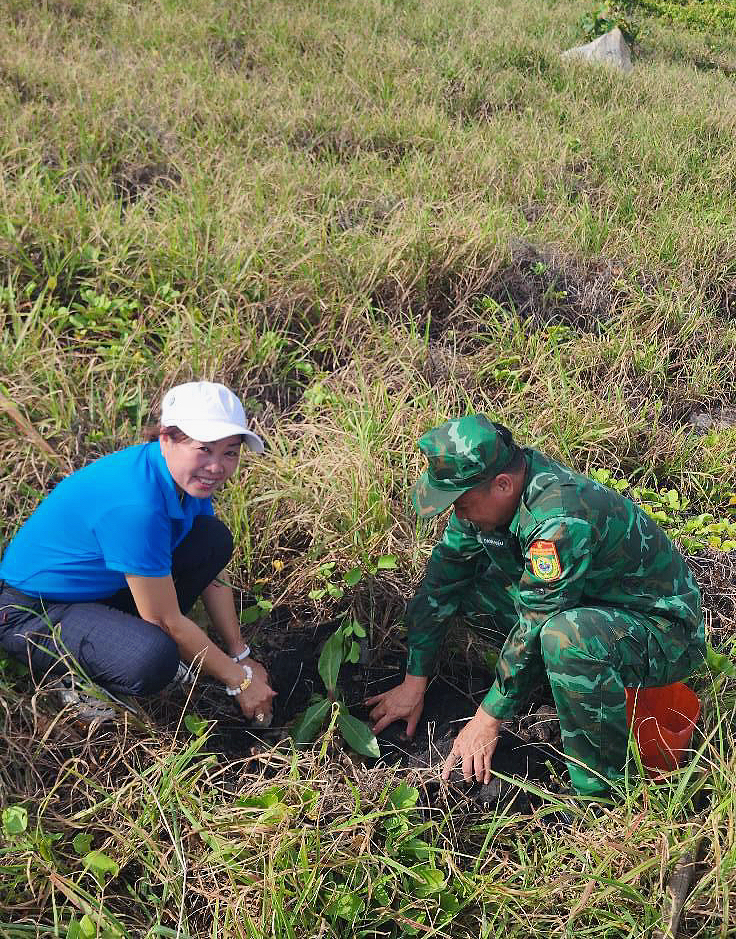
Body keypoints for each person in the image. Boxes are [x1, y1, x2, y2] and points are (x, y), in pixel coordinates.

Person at [366, 415, 705, 796]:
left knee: (566, 638)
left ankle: (602, 791)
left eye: (461, 503)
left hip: (663, 630)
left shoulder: (557, 519)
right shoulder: (482, 504)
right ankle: (563, 682)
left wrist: (488, 717)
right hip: (589, 606)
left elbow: (538, 622)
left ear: (502, 485)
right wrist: (415, 681)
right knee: (472, 592)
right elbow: (442, 582)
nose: (457, 514)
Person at [0, 381, 276, 724]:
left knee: (212, 539)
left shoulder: (182, 482)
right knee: (153, 657)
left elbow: (214, 579)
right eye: (204, 449)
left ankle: (112, 640)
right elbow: (164, 621)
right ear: (166, 438)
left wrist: (239, 653)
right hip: (29, 611)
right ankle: (77, 680)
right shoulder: (137, 505)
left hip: (96, 591)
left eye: (230, 452)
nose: (217, 467)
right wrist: (240, 681)